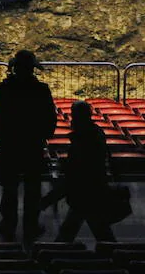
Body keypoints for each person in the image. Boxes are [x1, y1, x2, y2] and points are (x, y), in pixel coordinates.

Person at [0, 49, 56, 241]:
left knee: (9, 188)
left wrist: (1, 139)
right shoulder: (41, 90)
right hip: (33, 146)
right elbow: (50, 118)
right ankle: (30, 225)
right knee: (32, 189)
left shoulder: (5, 88)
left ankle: (8, 224)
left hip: (9, 145)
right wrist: (42, 137)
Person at [51, 101, 117, 243]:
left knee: (72, 229)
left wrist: (52, 197)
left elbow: (76, 170)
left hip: (84, 191)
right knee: (98, 229)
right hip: (93, 189)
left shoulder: (82, 138)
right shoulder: (95, 133)